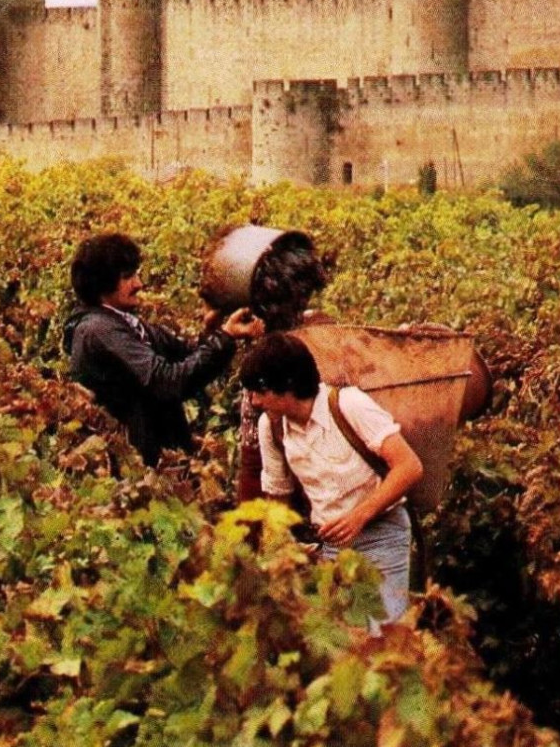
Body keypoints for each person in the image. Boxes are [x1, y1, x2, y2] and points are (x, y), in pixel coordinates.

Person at [240, 333, 423, 624]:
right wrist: (281, 553)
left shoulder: (348, 405)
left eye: (260, 390)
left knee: (381, 638)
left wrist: (358, 517)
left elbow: (409, 466)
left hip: (382, 534)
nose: (255, 400)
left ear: (288, 384)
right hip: (332, 546)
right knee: (334, 644)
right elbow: (278, 499)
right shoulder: (271, 428)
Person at [65, 232, 263, 468]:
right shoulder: (100, 331)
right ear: (102, 283)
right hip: (135, 467)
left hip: (157, 457)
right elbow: (167, 381)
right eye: (128, 277)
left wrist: (213, 330)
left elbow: (187, 356)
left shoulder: (126, 323)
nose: (139, 284)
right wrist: (225, 337)